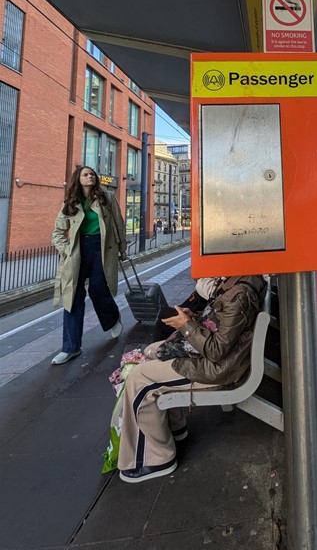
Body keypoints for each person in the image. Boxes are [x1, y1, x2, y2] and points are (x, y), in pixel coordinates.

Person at [117, 274, 266, 483]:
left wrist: (186, 324)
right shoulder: (240, 283)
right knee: (152, 350)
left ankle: (157, 457)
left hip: (216, 369)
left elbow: (216, 350)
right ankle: (175, 427)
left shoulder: (238, 293)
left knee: (138, 378)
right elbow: (220, 329)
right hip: (221, 362)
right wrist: (192, 318)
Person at [51, 165, 127, 365]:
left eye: (92, 174)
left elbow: (118, 223)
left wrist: (123, 248)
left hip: (102, 248)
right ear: (78, 179)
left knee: (98, 289)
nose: (90, 176)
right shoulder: (70, 202)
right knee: (72, 297)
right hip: (78, 250)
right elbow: (57, 233)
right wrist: (67, 250)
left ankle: (112, 318)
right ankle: (71, 348)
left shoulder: (107, 197)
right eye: (86, 174)